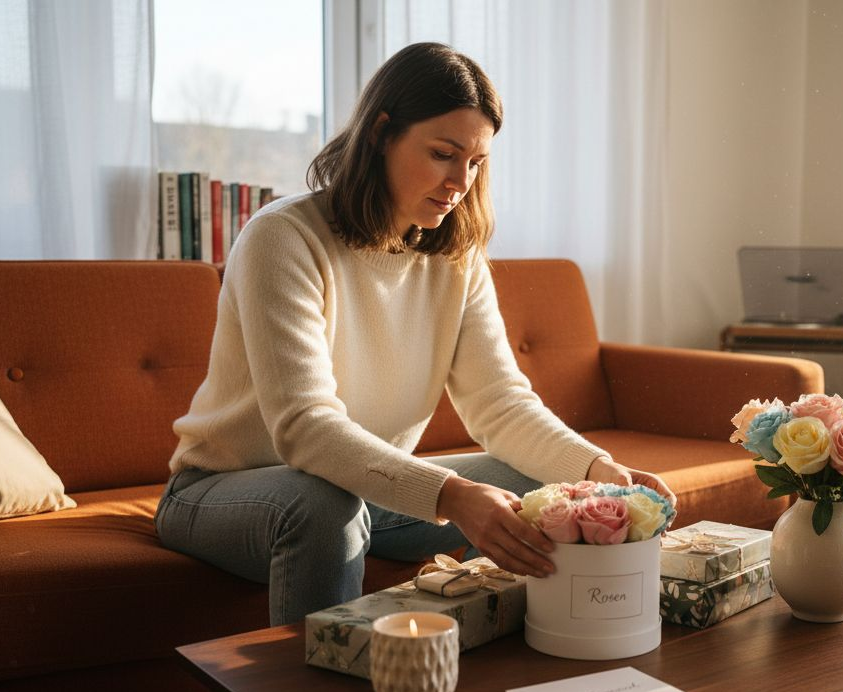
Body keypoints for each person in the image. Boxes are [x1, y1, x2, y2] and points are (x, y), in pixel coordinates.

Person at [155, 42, 675, 627]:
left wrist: (598, 468)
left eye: (476, 162)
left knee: (548, 485)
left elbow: (501, 404)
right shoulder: (283, 238)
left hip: (359, 492)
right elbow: (305, 428)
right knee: (325, 505)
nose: (460, 181)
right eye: (443, 154)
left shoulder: (456, 258)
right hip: (226, 492)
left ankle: (506, 668)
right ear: (381, 133)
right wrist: (451, 495)